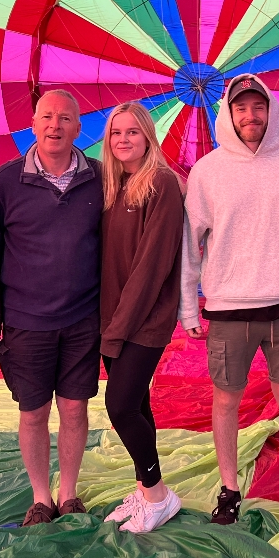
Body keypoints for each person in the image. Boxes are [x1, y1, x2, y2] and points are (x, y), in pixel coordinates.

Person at [180, 74, 279, 525]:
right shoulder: (208, 171)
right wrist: (188, 306)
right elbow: (190, 245)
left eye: (258, 107)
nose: (250, 116)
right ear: (228, 113)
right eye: (241, 108)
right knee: (226, 400)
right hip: (228, 310)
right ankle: (229, 489)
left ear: (272, 111)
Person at [0, 89, 103, 526]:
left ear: (79, 127)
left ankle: (69, 492)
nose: (55, 126)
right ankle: (41, 497)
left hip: (82, 318)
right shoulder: (5, 181)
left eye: (65, 118)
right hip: (25, 320)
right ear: (33, 124)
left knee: (75, 407)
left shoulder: (100, 177)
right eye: (47, 117)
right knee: (33, 410)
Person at [97, 103, 185, 533]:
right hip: (112, 317)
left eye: (133, 132)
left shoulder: (162, 184)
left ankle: (158, 493)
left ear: (149, 136)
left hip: (142, 320)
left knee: (120, 404)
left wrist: (117, 330)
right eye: (116, 132)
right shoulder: (114, 186)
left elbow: (151, 266)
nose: (124, 139)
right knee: (139, 404)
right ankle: (143, 486)